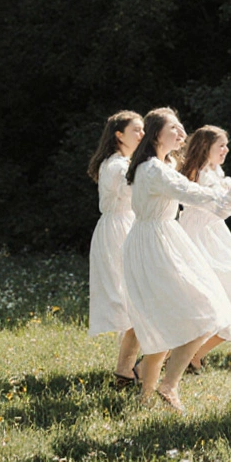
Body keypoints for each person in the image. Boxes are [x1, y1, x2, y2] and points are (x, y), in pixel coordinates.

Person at [122, 108, 231, 413]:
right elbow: (189, 192)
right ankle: (168, 385)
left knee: (169, 320)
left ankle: (147, 399)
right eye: (174, 128)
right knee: (208, 310)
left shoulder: (161, 164)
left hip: (160, 238)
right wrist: (228, 199)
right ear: (155, 134)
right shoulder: (153, 169)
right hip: (156, 242)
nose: (181, 133)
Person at [178, 126, 231, 373]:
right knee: (213, 297)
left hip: (215, 236)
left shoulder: (215, 172)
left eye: (226, 145)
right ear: (205, 148)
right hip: (198, 238)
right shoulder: (196, 174)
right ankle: (187, 356)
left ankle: (194, 356)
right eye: (220, 145)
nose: (226, 150)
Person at [86, 110, 144, 388]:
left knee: (137, 298)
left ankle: (129, 368)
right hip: (118, 230)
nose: (142, 135)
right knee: (132, 299)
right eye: (137, 130)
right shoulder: (116, 166)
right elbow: (136, 190)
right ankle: (126, 371)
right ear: (119, 135)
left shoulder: (126, 162)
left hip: (129, 225)